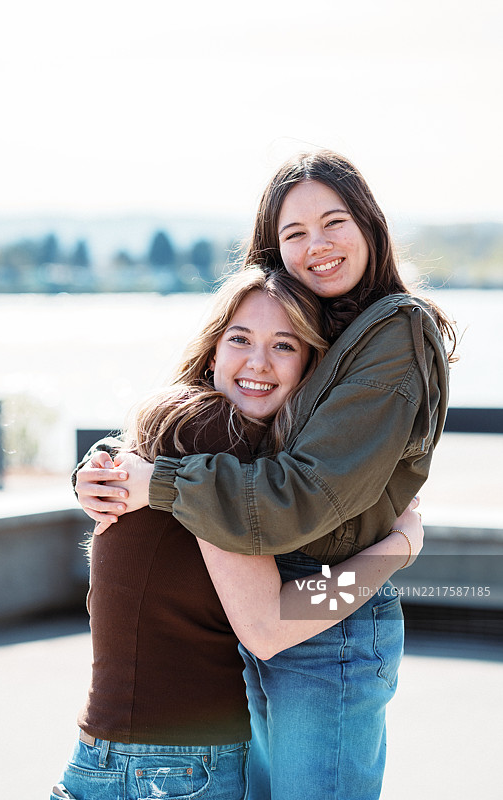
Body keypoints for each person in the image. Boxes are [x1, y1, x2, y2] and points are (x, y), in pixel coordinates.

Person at [75, 149, 454, 800]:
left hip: (325, 621)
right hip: (280, 605)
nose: (317, 245)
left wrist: (150, 481)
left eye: (333, 222)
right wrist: (108, 465)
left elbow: (299, 502)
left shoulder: (392, 331)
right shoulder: (260, 384)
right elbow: (267, 623)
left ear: (369, 225)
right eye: (293, 233)